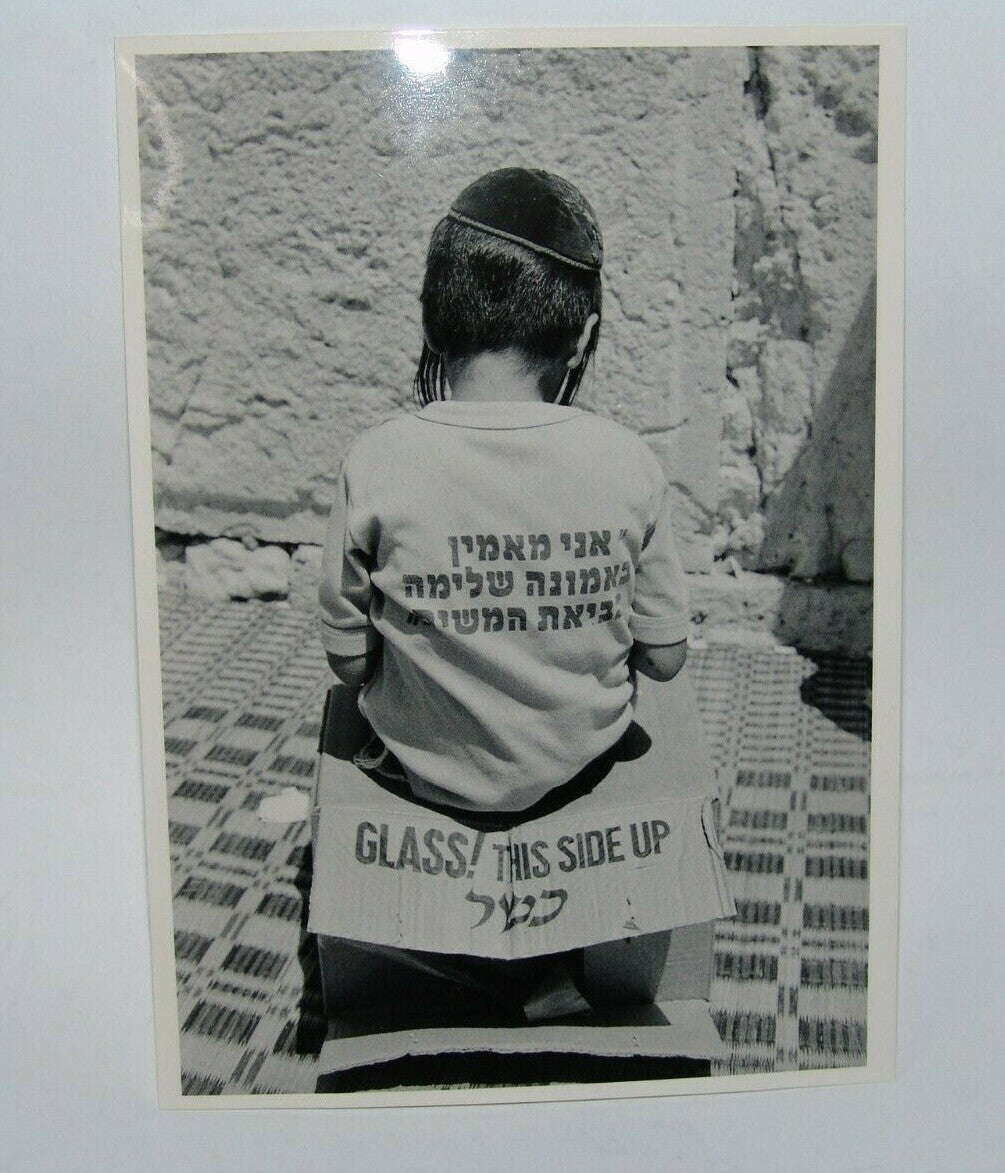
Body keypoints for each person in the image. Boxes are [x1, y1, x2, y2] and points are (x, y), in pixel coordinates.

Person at [319, 167, 690, 819]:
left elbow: (349, 665)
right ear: (581, 339)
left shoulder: (376, 459)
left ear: (431, 323)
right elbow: (664, 658)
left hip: (417, 771)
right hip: (581, 770)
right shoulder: (630, 461)